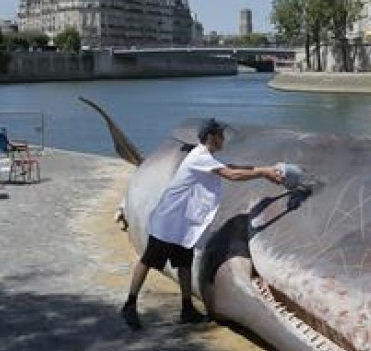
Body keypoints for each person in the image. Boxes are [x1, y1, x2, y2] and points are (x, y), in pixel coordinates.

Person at [121, 118, 283, 330]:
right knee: (149, 260)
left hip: (183, 224)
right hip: (169, 222)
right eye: (220, 136)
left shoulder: (206, 157)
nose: (224, 139)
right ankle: (129, 305)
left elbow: (230, 167)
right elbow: (231, 174)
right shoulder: (199, 157)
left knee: (184, 264)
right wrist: (263, 173)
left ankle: (187, 308)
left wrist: (263, 168)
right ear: (211, 137)